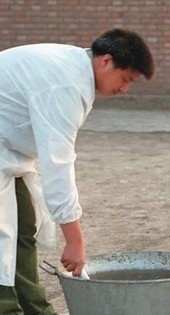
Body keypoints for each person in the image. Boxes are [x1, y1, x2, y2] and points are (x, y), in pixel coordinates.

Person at [0, 28, 154, 314]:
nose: (125, 89)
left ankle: (36, 308)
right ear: (106, 61)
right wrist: (75, 240)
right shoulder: (65, 85)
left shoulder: (74, 70)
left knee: (21, 228)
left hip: (7, 153)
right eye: (126, 79)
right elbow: (57, 164)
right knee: (1, 235)